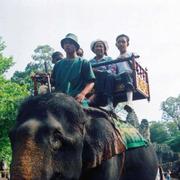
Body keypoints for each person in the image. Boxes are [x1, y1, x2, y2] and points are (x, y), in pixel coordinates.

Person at [51, 33, 95, 105]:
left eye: (70, 43)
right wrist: (45, 79)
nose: (67, 45)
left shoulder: (84, 62)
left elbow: (91, 82)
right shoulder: (58, 65)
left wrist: (82, 94)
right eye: (65, 43)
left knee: (87, 112)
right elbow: (52, 82)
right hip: (59, 100)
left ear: (76, 46)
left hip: (77, 99)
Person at [89, 39, 116, 111]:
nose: (98, 48)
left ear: (104, 49)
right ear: (93, 49)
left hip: (105, 79)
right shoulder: (90, 62)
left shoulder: (109, 59)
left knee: (108, 75)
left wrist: (98, 71)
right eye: (96, 46)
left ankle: (109, 103)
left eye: (101, 46)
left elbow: (112, 70)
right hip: (94, 81)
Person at [115, 34, 134, 110]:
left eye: (123, 42)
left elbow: (137, 67)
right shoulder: (116, 59)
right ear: (116, 45)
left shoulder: (132, 54)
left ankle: (130, 102)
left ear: (127, 44)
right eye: (119, 42)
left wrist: (126, 59)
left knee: (125, 73)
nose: (121, 44)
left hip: (130, 75)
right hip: (120, 77)